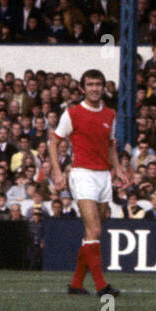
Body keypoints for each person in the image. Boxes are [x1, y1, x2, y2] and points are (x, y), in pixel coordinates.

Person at [49, 69, 128, 297]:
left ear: (103, 87)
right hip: (82, 174)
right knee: (94, 229)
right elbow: (54, 142)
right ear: (83, 88)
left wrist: (118, 169)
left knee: (93, 233)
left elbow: (111, 145)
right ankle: (102, 286)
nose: (94, 88)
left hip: (104, 176)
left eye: (98, 84)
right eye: (90, 84)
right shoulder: (72, 113)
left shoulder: (110, 114)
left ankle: (76, 284)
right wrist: (57, 172)